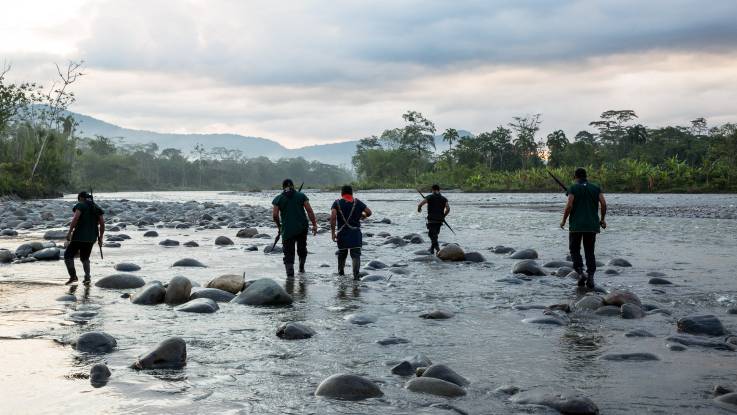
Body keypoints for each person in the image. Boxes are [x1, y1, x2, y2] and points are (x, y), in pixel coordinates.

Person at [560, 168, 607, 289]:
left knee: (574, 250)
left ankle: (581, 273)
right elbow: (603, 203)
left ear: (575, 177)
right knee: (590, 252)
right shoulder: (596, 188)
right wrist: (602, 219)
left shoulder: (573, 188)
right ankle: (590, 277)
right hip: (592, 226)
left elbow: (569, 205)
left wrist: (564, 220)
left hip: (576, 226)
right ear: (586, 176)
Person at [272, 179, 318, 277]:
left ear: (283, 187)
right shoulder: (301, 196)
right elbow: (309, 211)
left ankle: (290, 275)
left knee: (288, 253)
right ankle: (301, 268)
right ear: (293, 186)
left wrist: (279, 226)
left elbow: (275, 215)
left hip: (287, 229)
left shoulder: (278, 198)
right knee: (302, 248)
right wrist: (314, 224)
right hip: (301, 228)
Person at [330, 185, 372, 279]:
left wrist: (333, 233)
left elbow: (333, 217)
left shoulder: (337, 203)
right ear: (351, 193)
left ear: (342, 193)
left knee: (342, 254)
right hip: (355, 234)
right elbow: (369, 212)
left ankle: (341, 275)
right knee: (356, 255)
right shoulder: (357, 202)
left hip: (342, 234)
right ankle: (356, 277)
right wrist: (363, 216)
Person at [64, 191, 105, 285]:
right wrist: (100, 238)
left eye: (79, 199)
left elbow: (75, 218)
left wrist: (69, 232)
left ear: (81, 198)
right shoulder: (97, 208)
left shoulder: (81, 205)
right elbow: (102, 224)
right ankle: (87, 277)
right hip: (91, 238)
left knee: (68, 256)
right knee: (85, 258)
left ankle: (73, 276)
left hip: (79, 236)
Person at [417, 184, 450, 254]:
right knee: (435, 235)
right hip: (440, 220)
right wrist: (443, 216)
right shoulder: (444, 199)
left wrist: (419, 209)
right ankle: (432, 250)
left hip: (432, 220)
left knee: (431, 235)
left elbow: (420, 204)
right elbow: (448, 209)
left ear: (432, 190)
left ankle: (438, 250)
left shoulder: (430, 197)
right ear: (439, 190)